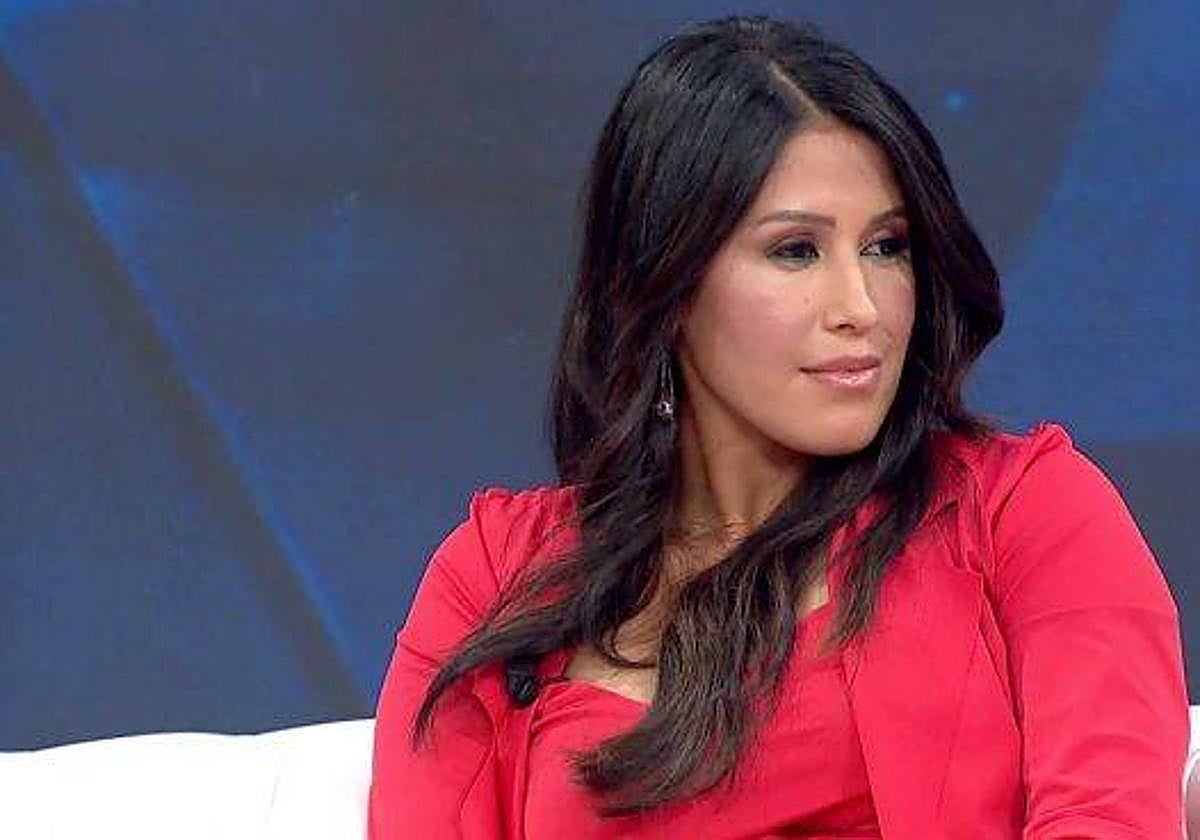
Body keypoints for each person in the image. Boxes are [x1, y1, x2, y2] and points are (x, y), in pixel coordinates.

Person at [368, 14, 1188, 839]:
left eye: (886, 247)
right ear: (667, 284)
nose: (861, 308)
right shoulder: (499, 577)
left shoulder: (1024, 513)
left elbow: (1108, 819)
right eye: (796, 250)